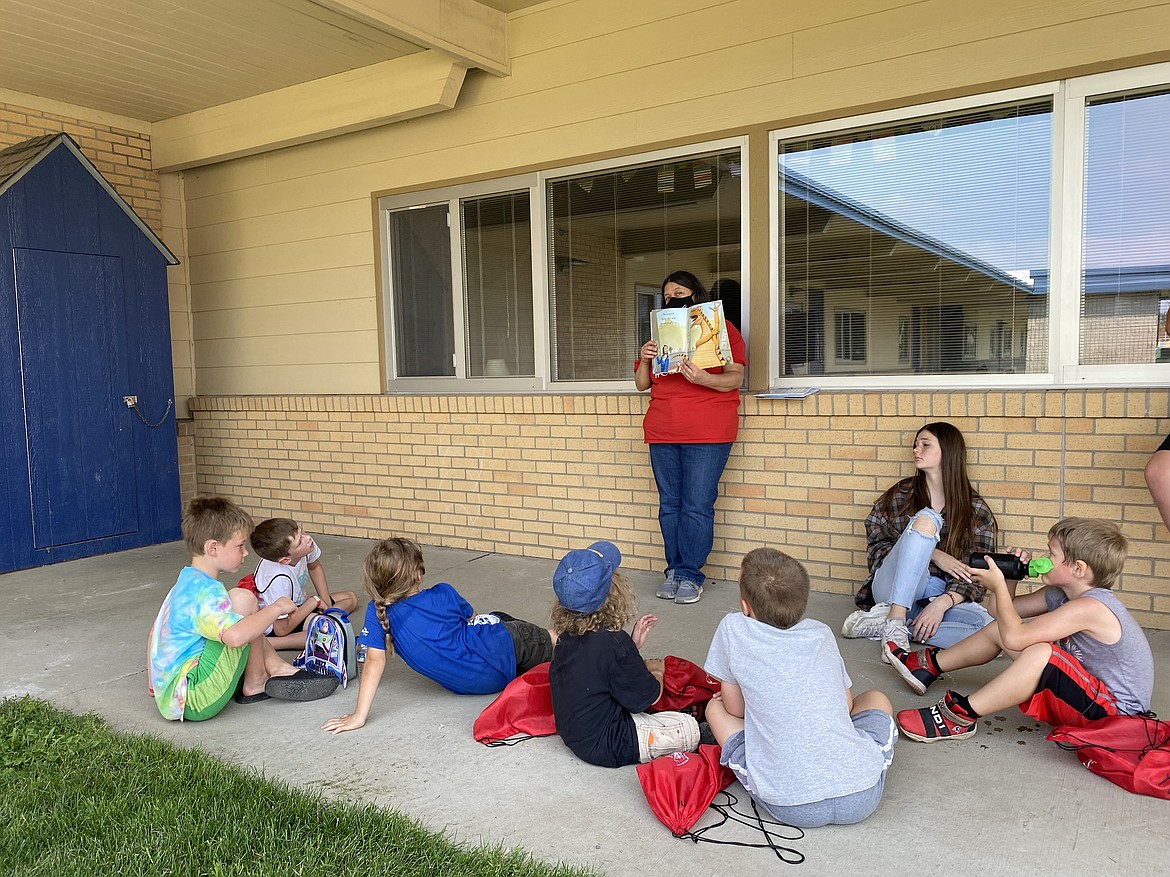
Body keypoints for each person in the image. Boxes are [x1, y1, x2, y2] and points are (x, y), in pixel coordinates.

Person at [890, 518, 1154, 742]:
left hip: (1115, 717)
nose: (1044, 558)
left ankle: (960, 716)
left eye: (1051, 554)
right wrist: (1010, 578)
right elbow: (1001, 613)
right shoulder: (1059, 594)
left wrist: (999, 587)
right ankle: (927, 667)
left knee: (1042, 653)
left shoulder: (1091, 607)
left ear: (1078, 568)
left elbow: (1016, 636)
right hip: (1087, 694)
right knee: (1000, 629)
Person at [703, 548, 896, 827]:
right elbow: (847, 706)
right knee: (877, 698)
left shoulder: (733, 629)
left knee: (715, 707)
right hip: (862, 795)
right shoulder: (820, 632)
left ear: (745, 607)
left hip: (790, 803)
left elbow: (736, 710)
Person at [322, 537, 556, 734]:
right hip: (500, 649)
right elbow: (473, 617)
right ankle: (574, 638)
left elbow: (373, 660)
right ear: (419, 575)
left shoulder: (377, 612)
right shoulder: (443, 593)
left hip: (477, 684)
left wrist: (358, 716)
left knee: (501, 618)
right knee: (543, 637)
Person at [148, 497, 338, 722]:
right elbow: (236, 637)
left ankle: (268, 670)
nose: (246, 552)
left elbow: (154, 633)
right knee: (244, 604)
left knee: (241, 600)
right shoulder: (204, 594)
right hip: (194, 699)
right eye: (239, 545)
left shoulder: (187, 582)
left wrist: (156, 687)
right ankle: (260, 678)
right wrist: (275, 608)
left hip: (176, 693)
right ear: (213, 547)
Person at [635, 270, 747, 605]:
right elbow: (643, 384)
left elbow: (734, 378)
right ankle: (674, 569)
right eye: (667, 295)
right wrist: (644, 359)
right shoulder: (660, 334)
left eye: (680, 292)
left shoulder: (721, 329)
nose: (674, 299)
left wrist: (702, 379)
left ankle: (690, 574)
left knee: (697, 505)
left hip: (708, 431)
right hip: (663, 429)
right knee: (670, 505)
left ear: (696, 295)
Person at [842, 422, 997, 657]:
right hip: (891, 586)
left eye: (925, 445)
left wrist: (943, 602)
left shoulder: (975, 509)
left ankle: (892, 626)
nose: (916, 450)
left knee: (990, 630)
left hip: (938, 592)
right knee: (926, 519)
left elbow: (978, 570)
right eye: (915, 445)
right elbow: (876, 543)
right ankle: (895, 619)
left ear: (948, 451)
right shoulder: (900, 495)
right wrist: (934, 553)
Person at [548, 540, 699, 767]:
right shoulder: (614, 644)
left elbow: (597, 666)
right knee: (689, 726)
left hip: (574, 734)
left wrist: (632, 645)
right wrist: (657, 670)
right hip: (608, 745)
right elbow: (647, 697)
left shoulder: (566, 635)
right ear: (613, 593)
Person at [249, 518, 358, 650]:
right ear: (285, 560)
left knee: (350, 598)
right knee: (324, 633)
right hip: (276, 623)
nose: (307, 538)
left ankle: (325, 620)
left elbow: (314, 567)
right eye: (300, 541)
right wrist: (314, 602)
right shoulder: (279, 580)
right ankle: (268, 643)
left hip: (297, 606)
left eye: (302, 532)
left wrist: (327, 606)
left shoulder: (306, 545)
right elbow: (281, 630)